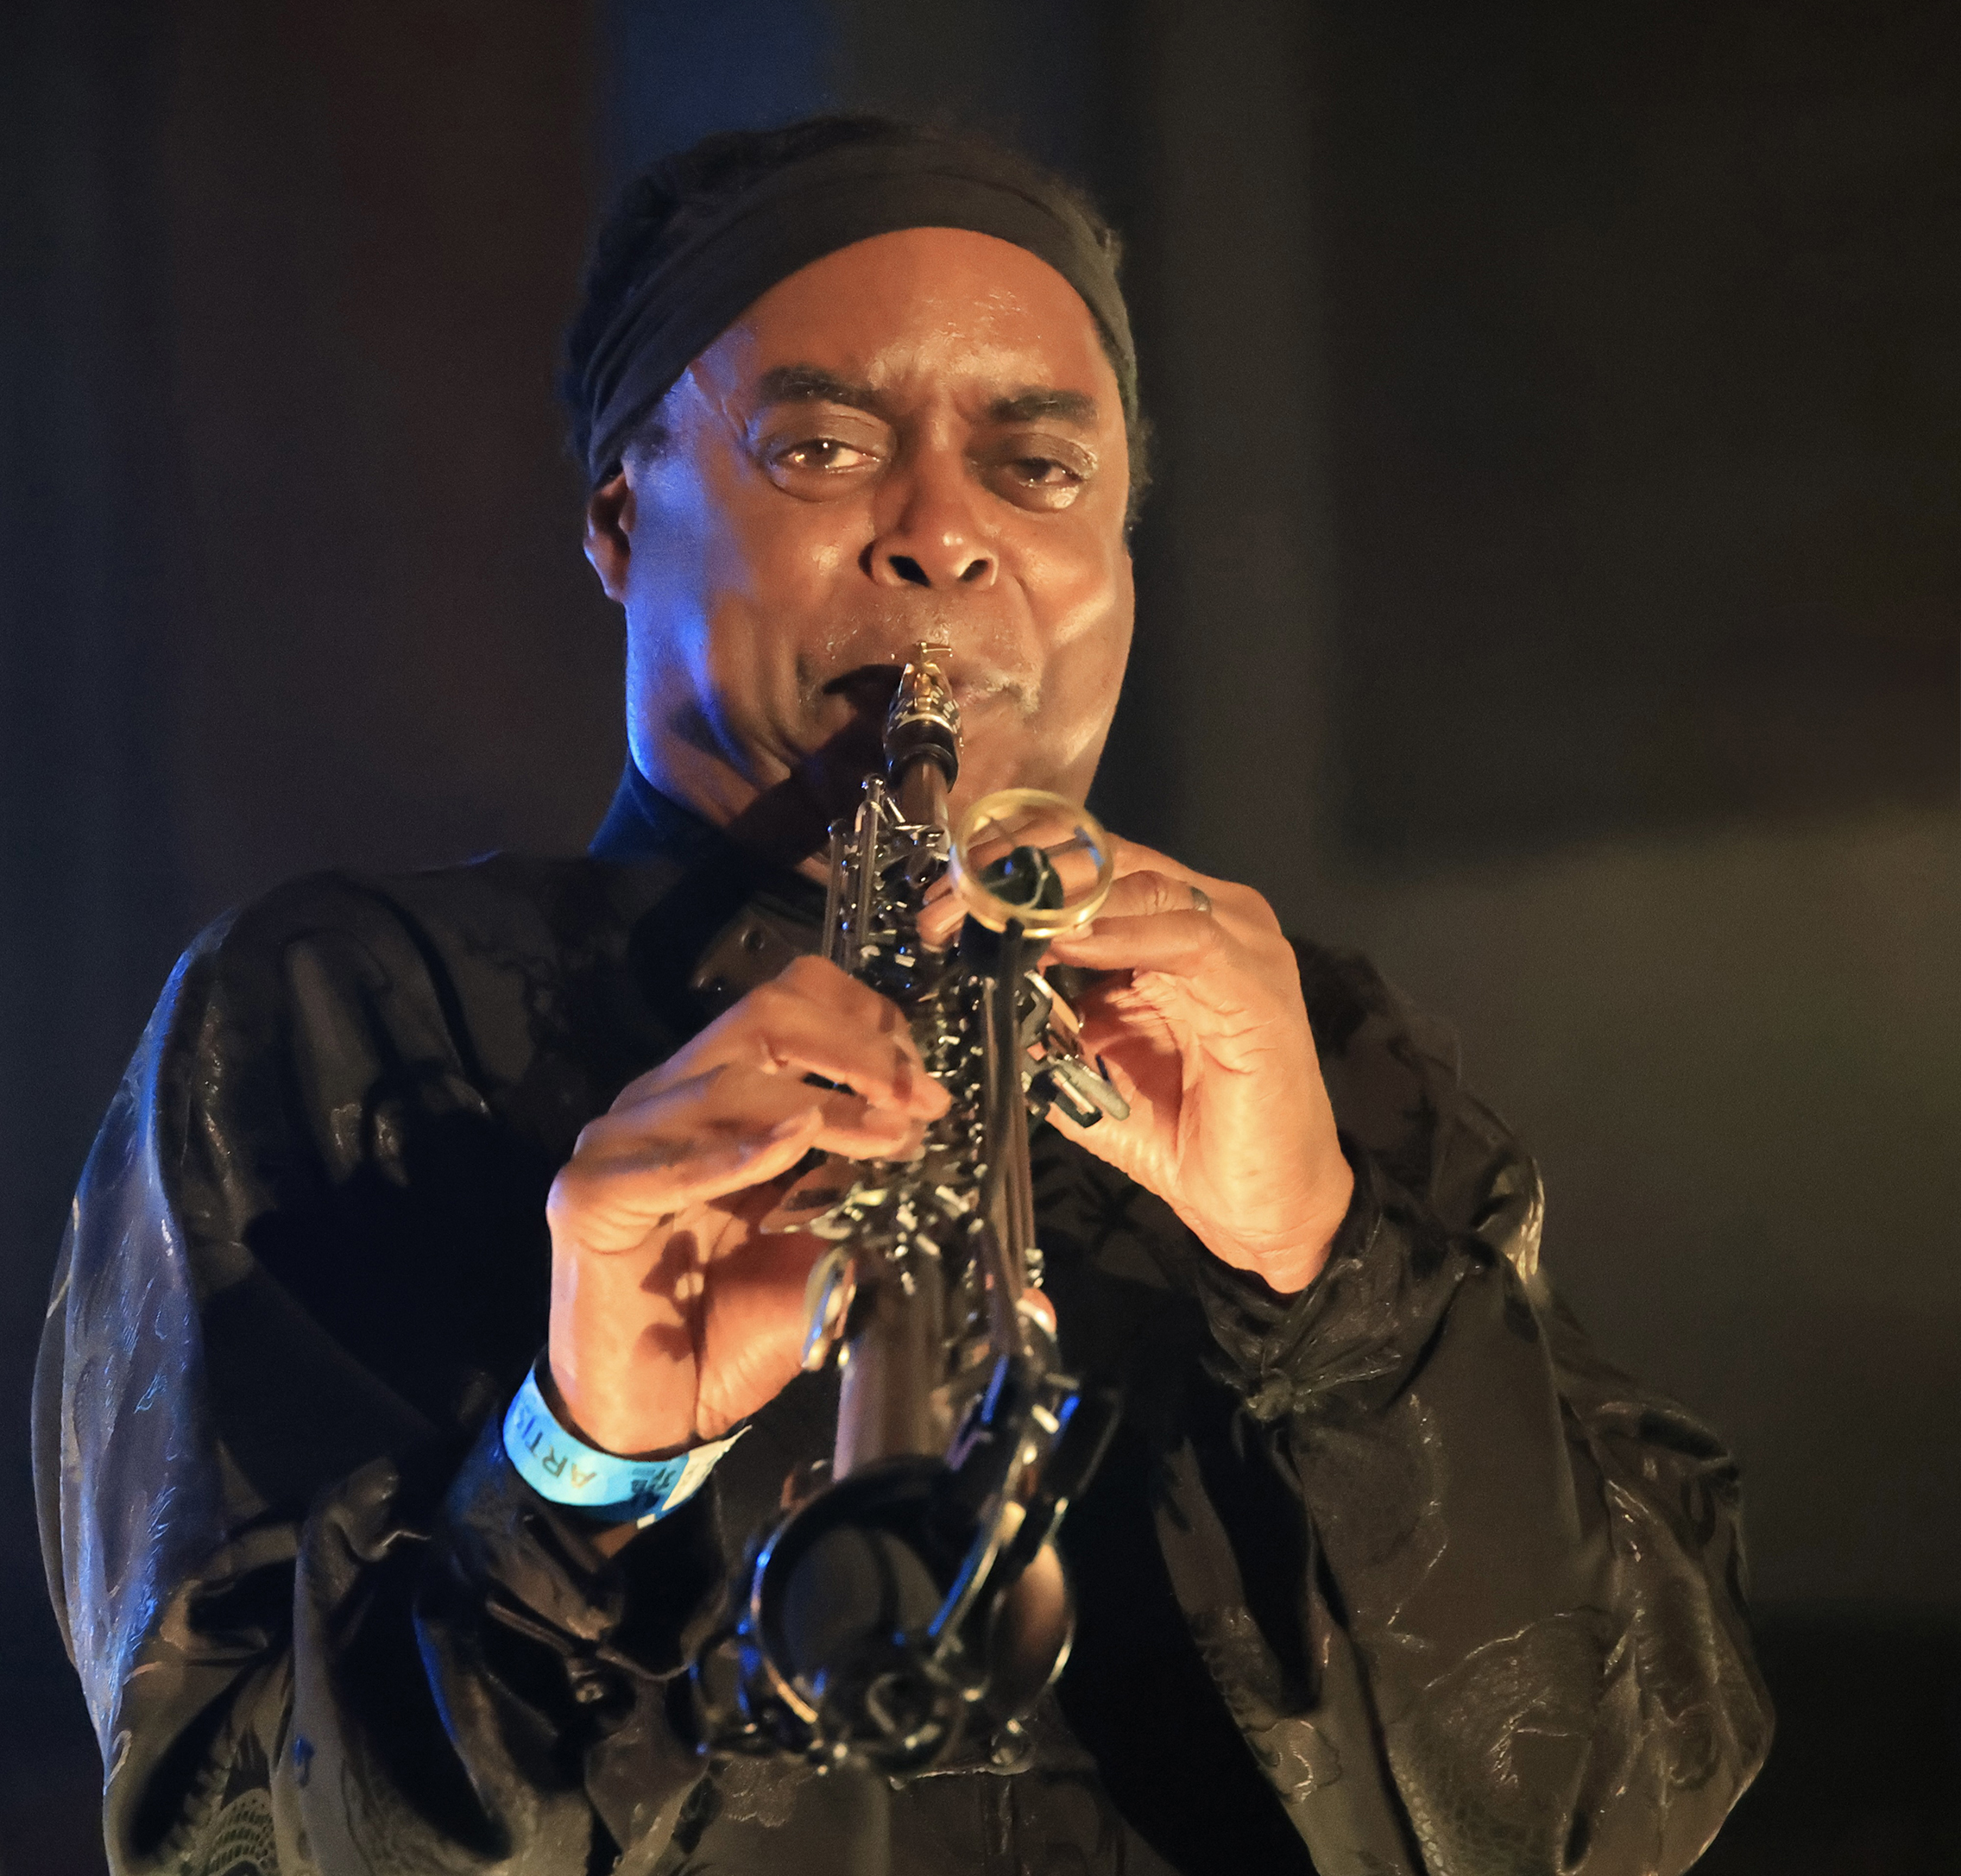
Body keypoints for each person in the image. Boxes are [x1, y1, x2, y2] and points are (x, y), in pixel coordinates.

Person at [35, 116, 1770, 1876]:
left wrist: (1330, 1278)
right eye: (820, 448)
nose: (944, 535)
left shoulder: (1320, 1055)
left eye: (1039, 471)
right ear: (620, 517)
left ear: (1120, 566)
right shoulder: (338, 1016)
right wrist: (580, 1463)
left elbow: (1615, 1808)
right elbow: (231, 1843)